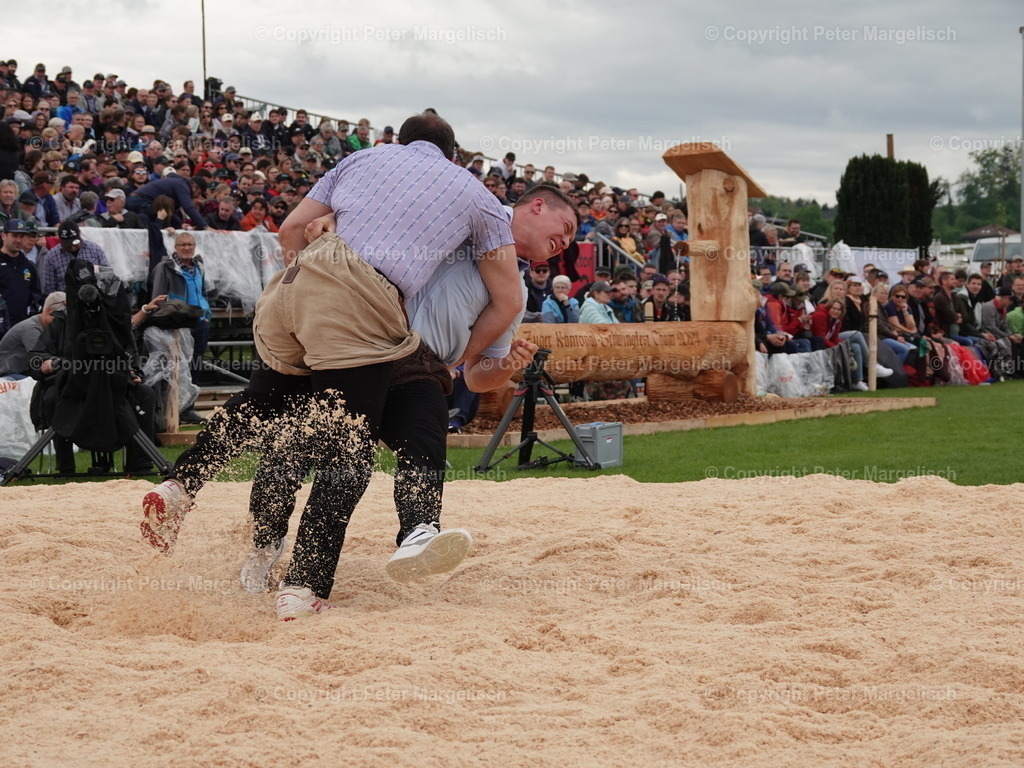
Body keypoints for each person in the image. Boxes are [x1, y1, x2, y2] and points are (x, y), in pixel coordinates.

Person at [139, 114, 545, 620]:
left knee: (269, 403)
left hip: (294, 290)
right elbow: (507, 300)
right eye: (562, 231)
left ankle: (182, 484)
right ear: (453, 154)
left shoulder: (359, 159)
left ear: (400, 141)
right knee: (344, 447)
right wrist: (460, 360)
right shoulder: (477, 198)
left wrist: (310, 271)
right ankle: (303, 584)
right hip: (363, 308)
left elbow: (289, 229)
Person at [151, 232, 211, 383]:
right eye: (182, 245)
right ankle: (176, 405)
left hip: (200, 321)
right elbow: (158, 297)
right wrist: (169, 322)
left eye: (190, 244)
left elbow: (203, 292)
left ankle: (190, 403)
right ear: (175, 247)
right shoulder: (165, 267)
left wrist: (207, 315)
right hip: (179, 324)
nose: (186, 248)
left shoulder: (198, 266)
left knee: (196, 365)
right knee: (178, 367)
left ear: (194, 246)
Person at [0, 291, 64, 378]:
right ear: (48, 311)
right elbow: (39, 359)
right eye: (59, 317)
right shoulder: (31, 328)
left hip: (22, 371)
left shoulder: (43, 327)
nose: (62, 322)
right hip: (8, 374)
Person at [42, 221, 109, 294]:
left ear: (79, 233)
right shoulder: (51, 257)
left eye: (74, 243)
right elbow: (49, 289)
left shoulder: (95, 250)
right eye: (67, 244)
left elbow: (108, 276)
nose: (72, 247)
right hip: (65, 301)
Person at [0, 220, 43, 333]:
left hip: (22, 329)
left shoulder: (29, 266)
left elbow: (36, 297)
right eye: (14, 235)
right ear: (3, 235)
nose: (18, 240)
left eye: (22, 236)